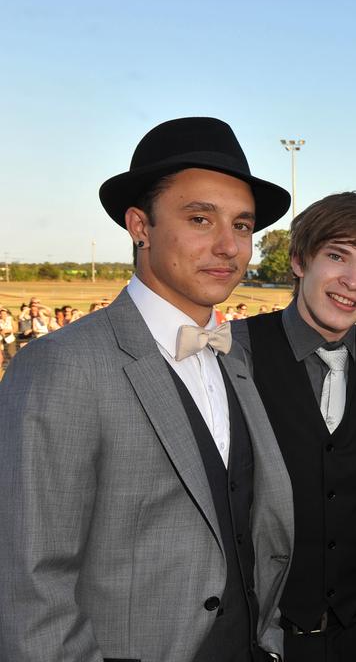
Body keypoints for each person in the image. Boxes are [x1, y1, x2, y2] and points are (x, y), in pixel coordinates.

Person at [0, 116, 295, 660]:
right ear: (140, 225)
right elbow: (30, 588)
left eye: (243, 225)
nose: (228, 246)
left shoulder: (235, 360)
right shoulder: (60, 367)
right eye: (200, 219)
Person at [229, 192, 356, 660]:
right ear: (299, 259)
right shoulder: (233, 353)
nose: (352, 281)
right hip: (265, 630)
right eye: (337, 256)